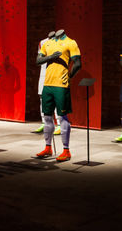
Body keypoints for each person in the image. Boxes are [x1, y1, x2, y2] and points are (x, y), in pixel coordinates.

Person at [35, 29, 81, 162]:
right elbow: (38, 60)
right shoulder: (47, 43)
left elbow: (78, 63)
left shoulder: (70, 42)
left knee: (62, 116)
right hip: (47, 84)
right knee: (47, 117)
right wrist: (51, 57)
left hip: (61, 85)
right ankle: (48, 147)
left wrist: (70, 76)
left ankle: (66, 151)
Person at [32, 31, 61, 134]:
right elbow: (39, 59)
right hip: (43, 73)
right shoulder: (42, 42)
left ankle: (59, 124)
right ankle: (44, 122)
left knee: (56, 98)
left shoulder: (60, 42)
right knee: (42, 98)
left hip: (55, 73)